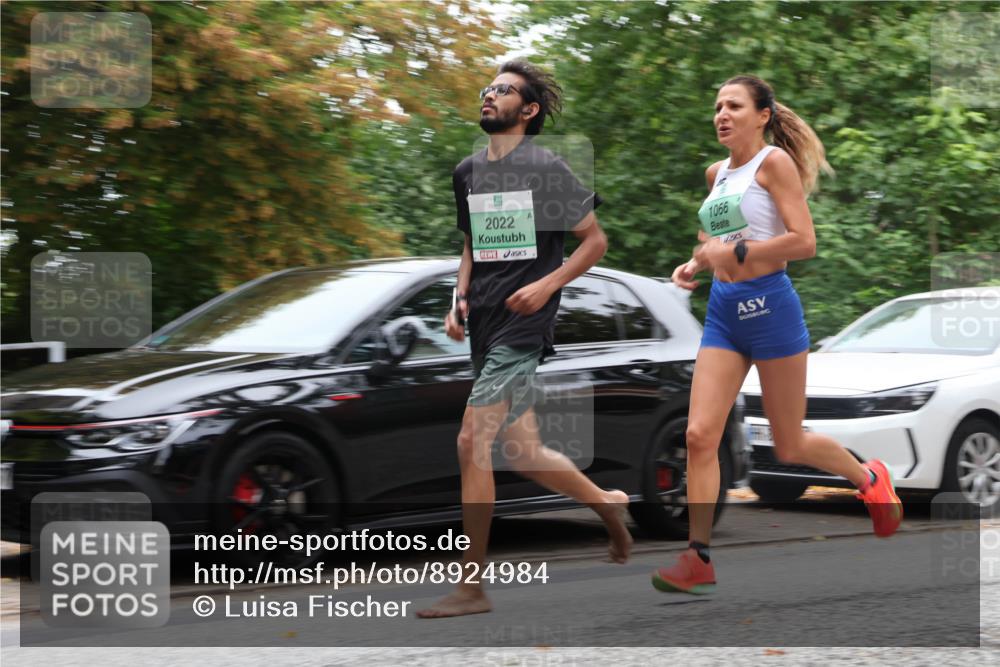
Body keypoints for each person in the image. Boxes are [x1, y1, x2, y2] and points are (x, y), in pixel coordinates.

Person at [651, 75, 903, 596]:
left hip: (771, 310)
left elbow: (802, 241)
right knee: (699, 435)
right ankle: (697, 557)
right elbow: (718, 238)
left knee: (789, 443)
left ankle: (869, 478)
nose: (722, 114)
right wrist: (696, 261)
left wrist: (736, 255)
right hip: (724, 312)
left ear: (762, 115)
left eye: (734, 106)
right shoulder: (715, 172)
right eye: (717, 106)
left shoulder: (774, 165)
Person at [416, 60, 633, 618]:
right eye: (488, 87)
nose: (490, 94)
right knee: (525, 451)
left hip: (523, 325)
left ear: (529, 110)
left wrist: (546, 286)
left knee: (471, 442)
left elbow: (594, 242)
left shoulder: (545, 167)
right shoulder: (468, 171)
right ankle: (607, 504)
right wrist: (457, 297)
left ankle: (471, 587)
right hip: (485, 322)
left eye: (505, 90)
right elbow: (472, 244)